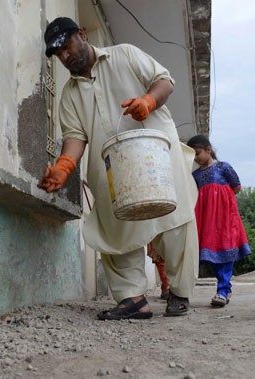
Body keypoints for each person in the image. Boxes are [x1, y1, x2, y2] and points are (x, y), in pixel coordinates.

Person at [38, 17, 199, 319]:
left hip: (154, 155)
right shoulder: (70, 95)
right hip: (110, 168)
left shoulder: (124, 54)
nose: (64, 56)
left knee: (175, 221)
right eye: (57, 54)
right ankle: (133, 298)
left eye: (66, 46)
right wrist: (63, 166)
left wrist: (149, 101)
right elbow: (75, 137)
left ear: (82, 35)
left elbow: (165, 81)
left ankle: (179, 291)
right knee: (114, 228)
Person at [186, 135, 252, 307]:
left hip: (225, 218)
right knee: (211, 254)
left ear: (208, 150)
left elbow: (236, 187)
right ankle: (225, 288)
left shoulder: (224, 168)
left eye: (197, 153)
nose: (195, 158)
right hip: (206, 220)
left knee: (226, 249)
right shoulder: (196, 175)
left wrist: (220, 200)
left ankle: (222, 290)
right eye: (192, 156)